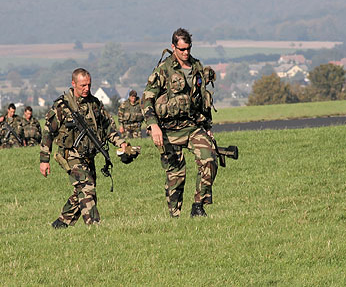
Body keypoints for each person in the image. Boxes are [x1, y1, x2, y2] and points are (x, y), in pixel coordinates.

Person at [142, 28, 218, 218]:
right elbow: (147, 100)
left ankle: (199, 205)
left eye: (188, 48)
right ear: (173, 47)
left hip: (192, 126)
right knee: (176, 174)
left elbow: (202, 101)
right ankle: (174, 216)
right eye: (181, 49)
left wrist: (207, 128)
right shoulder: (163, 70)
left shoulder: (197, 67)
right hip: (167, 129)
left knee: (209, 158)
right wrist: (154, 126)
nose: (185, 53)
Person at [40, 68, 128, 228]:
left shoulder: (94, 104)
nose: (86, 88)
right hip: (70, 156)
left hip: (89, 155)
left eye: (89, 85)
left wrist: (121, 143)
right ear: (73, 84)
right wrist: (44, 160)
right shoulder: (62, 106)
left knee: (80, 191)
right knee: (87, 189)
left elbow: (107, 127)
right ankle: (95, 228)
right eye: (82, 85)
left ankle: (60, 223)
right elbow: (48, 133)